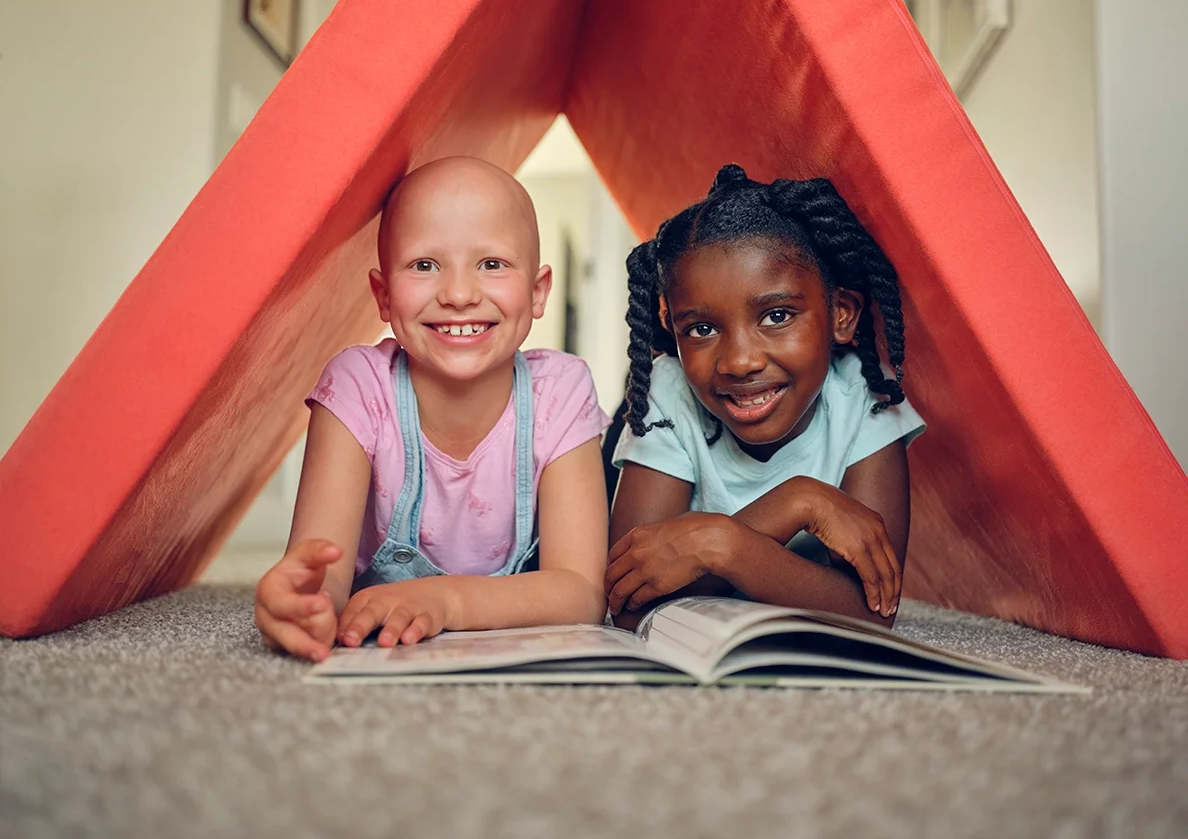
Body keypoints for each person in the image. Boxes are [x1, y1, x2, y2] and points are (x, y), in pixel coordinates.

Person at [255, 157, 612, 661]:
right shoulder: (358, 386)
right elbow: (322, 571)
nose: (459, 295)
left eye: (492, 264)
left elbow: (580, 591)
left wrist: (446, 601)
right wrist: (302, 605)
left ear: (538, 292)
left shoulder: (561, 391)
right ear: (383, 295)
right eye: (425, 265)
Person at [606, 164, 925, 630]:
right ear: (671, 326)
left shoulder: (866, 399)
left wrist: (718, 545)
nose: (739, 361)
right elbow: (629, 603)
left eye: (776, 316)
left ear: (841, 314)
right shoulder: (669, 392)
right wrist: (798, 503)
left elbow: (871, 614)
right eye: (701, 328)